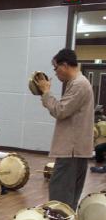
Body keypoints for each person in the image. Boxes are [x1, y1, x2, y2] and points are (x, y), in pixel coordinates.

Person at [35, 48, 94, 210]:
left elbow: (60, 111)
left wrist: (46, 92)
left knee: (60, 197)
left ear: (65, 65)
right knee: (67, 198)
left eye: (56, 68)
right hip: (74, 151)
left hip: (71, 151)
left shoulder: (79, 84)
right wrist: (46, 95)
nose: (55, 73)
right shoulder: (76, 83)